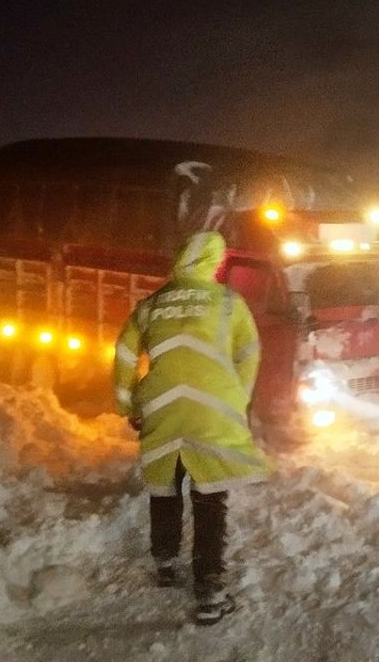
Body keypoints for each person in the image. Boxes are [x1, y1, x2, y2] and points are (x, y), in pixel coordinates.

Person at [113, 231, 267, 626]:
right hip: (212, 413)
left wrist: (127, 403)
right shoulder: (231, 304)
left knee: (164, 489)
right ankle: (210, 593)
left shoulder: (150, 306)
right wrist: (238, 398)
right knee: (210, 498)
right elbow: (249, 353)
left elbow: (125, 353)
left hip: (162, 409)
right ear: (215, 263)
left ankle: (166, 564)